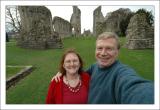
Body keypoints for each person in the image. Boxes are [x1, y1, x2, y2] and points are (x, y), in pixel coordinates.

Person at [52, 32, 154, 104]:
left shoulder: (121, 73)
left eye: (109, 48)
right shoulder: (94, 67)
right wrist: (64, 72)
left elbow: (136, 89)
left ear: (117, 52)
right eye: (100, 48)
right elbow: (77, 74)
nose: (103, 53)